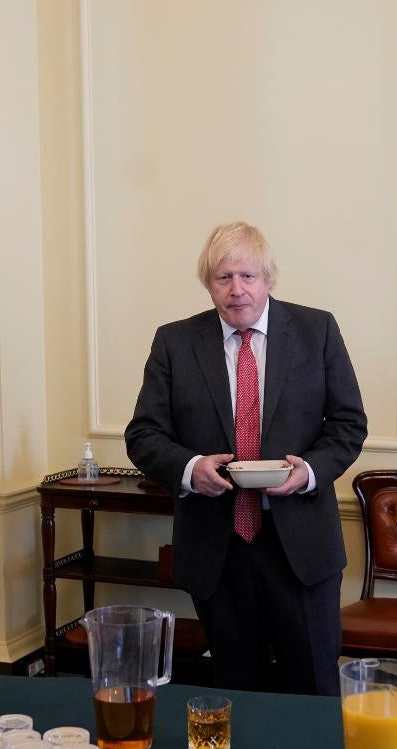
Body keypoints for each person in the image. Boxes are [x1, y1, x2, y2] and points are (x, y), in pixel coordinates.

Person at [126, 222, 367, 695]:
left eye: (248, 277)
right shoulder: (175, 343)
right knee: (237, 690)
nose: (236, 290)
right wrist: (192, 469)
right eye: (223, 278)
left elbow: (348, 424)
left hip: (300, 545)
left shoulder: (316, 330)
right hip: (218, 549)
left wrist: (309, 472)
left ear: (269, 279)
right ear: (208, 284)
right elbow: (143, 434)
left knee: (315, 687)